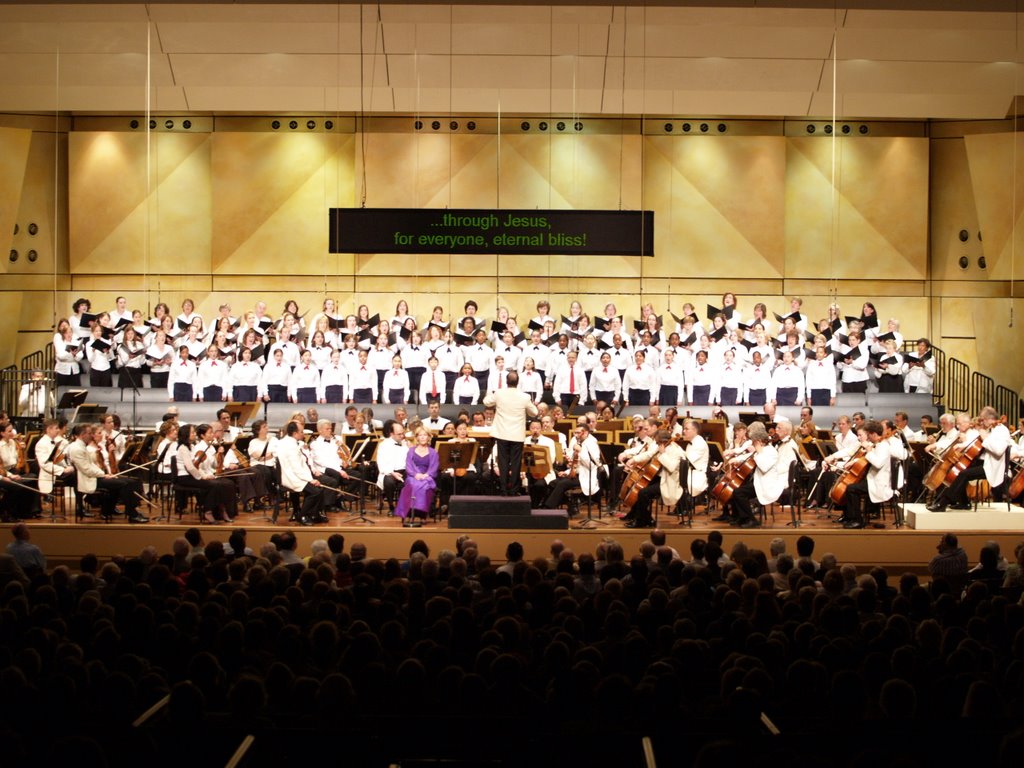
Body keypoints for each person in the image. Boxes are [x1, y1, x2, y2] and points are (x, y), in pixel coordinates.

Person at [68, 423, 148, 523]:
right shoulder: (76, 448)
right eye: (89, 433)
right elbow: (86, 469)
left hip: (95, 477)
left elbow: (91, 466)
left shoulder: (81, 446)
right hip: (90, 480)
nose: (91, 436)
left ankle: (109, 510)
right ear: (82, 434)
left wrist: (105, 474)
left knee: (131, 481)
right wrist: (103, 474)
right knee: (125, 484)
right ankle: (132, 514)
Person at [483, 370, 539, 496]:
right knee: (515, 463)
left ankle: (504, 490)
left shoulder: (499, 393)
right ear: (518, 382)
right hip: (517, 435)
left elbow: (486, 402)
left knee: (502, 462)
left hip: (502, 433)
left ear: (506, 382)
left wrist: (490, 393)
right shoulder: (524, 397)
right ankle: (513, 490)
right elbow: (534, 413)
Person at [624, 429, 685, 528]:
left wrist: (663, 453)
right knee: (638, 488)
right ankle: (642, 518)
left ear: (663, 442)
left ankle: (642, 520)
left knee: (643, 493)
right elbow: (649, 454)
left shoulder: (675, 451)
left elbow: (671, 467)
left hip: (669, 482)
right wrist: (633, 459)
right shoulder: (662, 446)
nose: (656, 444)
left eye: (657, 442)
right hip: (660, 478)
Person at [277, 420, 328, 526]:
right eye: (301, 432)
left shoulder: (290, 441)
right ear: (295, 433)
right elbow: (296, 468)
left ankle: (314, 514)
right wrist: (310, 479)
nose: (303, 434)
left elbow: (301, 464)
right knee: (316, 492)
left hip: (297, 474)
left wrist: (310, 478)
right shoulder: (289, 446)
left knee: (320, 489)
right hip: (292, 476)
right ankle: (302, 515)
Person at [394, 426, 439, 526]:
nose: (423, 437)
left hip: (427, 476)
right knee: (413, 485)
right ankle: (410, 514)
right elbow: (408, 465)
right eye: (420, 435)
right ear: (417, 437)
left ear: (428, 437)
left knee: (425, 485)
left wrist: (426, 475)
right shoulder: (411, 451)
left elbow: (434, 467)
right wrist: (416, 474)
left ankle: (422, 514)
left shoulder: (433, 452)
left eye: (425, 435)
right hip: (413, 476)